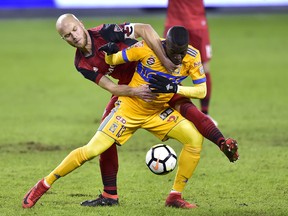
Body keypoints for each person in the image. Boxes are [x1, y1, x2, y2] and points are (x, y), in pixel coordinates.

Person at [22, 14, 238, 208]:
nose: (74, 37)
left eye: (74, 30)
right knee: (98, 145)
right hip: (131, 93)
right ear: (64, 39)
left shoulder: (107, 32)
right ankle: (106, 194)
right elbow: (112, 87)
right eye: (67, 36)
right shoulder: (82, 64)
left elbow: (144, 28)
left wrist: (165, 61)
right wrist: (135, 90)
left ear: (81, 23)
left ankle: (217, 147)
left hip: (158, 78)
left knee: (188, 113)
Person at [164, 0, 216, 124]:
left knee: (169, 67)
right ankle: (196, 113)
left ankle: (203, 113)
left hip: (189, 22)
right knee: (168, 67)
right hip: (187, 22)